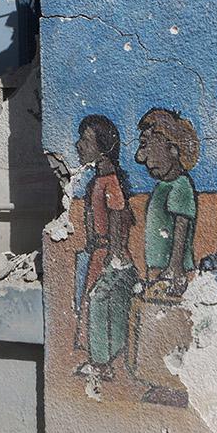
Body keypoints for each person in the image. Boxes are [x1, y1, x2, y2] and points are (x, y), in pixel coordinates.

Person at [74, 115, 136, 369]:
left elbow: (118, 214)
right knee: (92, 304)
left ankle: (102, 362)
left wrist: (115, 251)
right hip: (98, 253)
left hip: (109, 255)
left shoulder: (110, 182)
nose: (79, 145)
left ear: (103, 148)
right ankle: (99, 358)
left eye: (86, 140)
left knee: (101, 304)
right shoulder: (97, 181)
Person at [134, 108, 199, 297]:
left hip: (172, 271)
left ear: (172, 148)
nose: (140, 158)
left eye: (146, 145)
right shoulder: (162, 186)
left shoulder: (180, 186)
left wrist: (175, 269)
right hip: (158, 268)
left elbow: (181, 227)